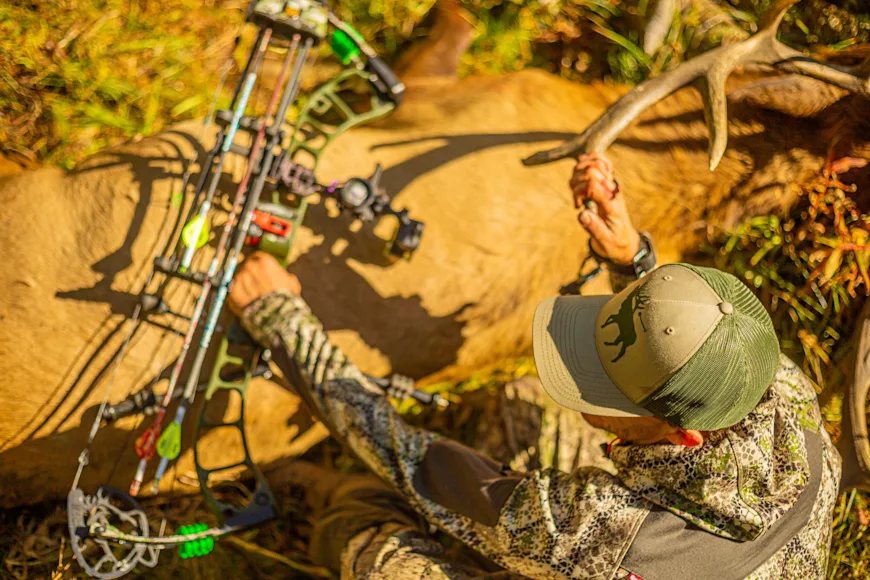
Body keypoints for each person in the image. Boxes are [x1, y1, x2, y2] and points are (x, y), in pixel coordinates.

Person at [227, 153, 841, 580]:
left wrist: (280, 320)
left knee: (374, 531)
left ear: (682, 438)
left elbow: (414, 462)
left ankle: (320, 509)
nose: (578, 390)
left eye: (601, 390)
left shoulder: (602, 534)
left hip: (600, 559)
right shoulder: (777, 384)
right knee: (521, 406)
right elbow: (694, 339)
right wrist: (631, 260)